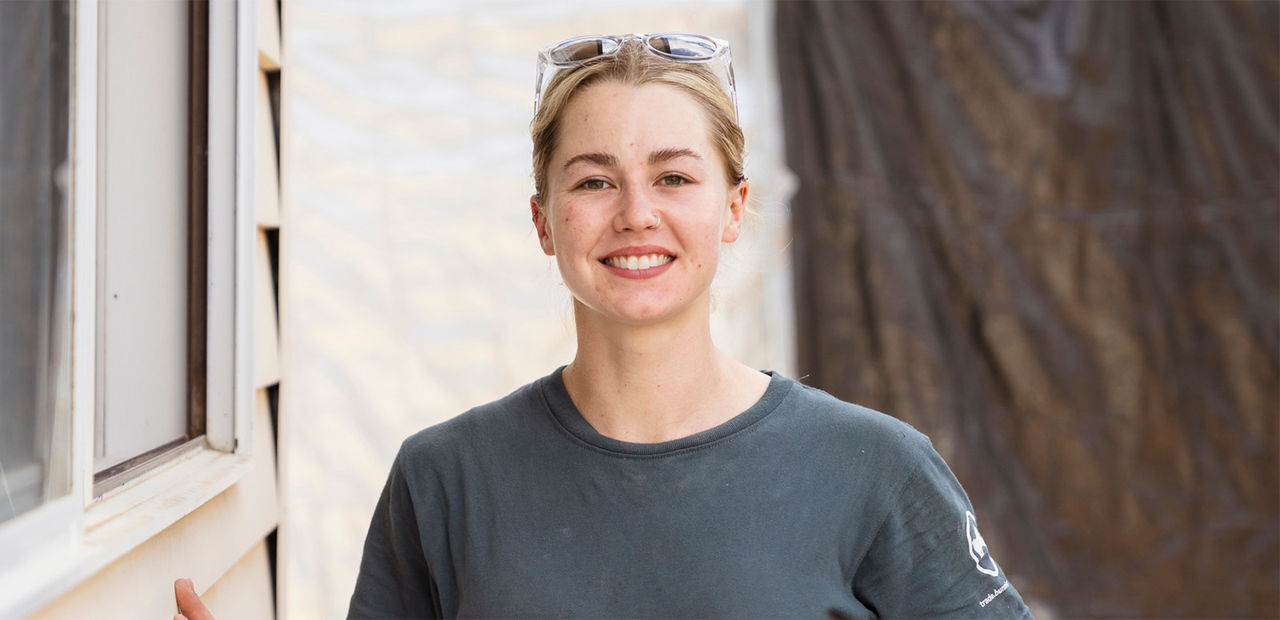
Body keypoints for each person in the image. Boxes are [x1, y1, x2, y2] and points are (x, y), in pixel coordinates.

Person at [178, 32, 1033, 619]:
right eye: (593, 181)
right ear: (544, 221)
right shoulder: (443, 480)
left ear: (733, 209)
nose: (635, 214)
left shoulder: (874, 470)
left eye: (673, 178)